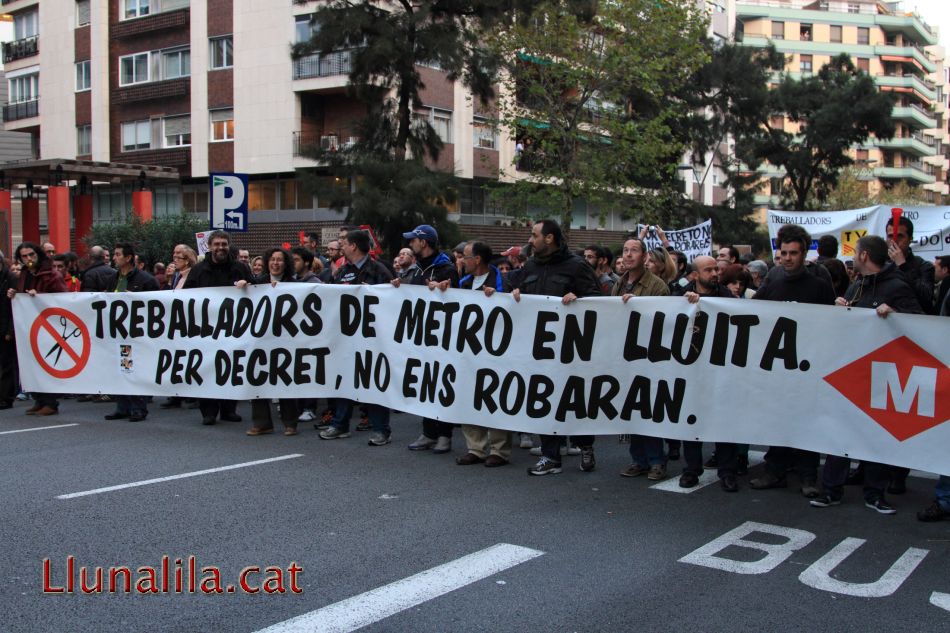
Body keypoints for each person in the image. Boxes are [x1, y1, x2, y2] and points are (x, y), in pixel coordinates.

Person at [810, 235, 923, 515]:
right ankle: (832, 490)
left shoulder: (896, 286)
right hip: (851, 371)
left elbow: (920, 322)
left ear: (863, 256)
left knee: (875, 434)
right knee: (840, 431)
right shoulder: (857, 286)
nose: (853, 257)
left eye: (856, 252)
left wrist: (897, 314)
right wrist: (842, 310)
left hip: (883, 373)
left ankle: (875, 493)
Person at [750, 224, 836, 498]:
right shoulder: (772, 285)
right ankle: (774, 471)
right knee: (778, 421)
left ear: (804, 254)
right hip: (778, 370)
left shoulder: (820, 287)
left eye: (793, 253)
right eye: (784, 253)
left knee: (807, 422)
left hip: (808, 368)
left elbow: (831, 325)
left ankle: (808, 476)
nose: (787, 258)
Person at [512, 220, 601, 476]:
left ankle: (585, 445)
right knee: (543, 399)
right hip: (540, 350)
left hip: (570, 348)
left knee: (575, 399)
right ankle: (551, 456)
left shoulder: (576, 266)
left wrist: (580, 300)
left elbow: (598, 299)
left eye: (534, 235)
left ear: (549, 238)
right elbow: (515, 292)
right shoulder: (530, 266)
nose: (530, 240)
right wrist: (516, 292)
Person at [319, 230, 394, 447]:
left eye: (344, 242)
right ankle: (340, 425)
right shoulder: (342, 271)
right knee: (344, 381)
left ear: (354, 246)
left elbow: (391, 302)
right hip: (347, 337)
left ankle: (382, 430)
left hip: (373, 338)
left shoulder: (379, 270)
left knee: (372, 383)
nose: (340, 245)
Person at [392, 224, 459, 454]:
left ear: (425, 242)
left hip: (442, 337)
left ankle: (444, 435)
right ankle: (428, 432)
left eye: (414, 240)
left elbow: (456, 300)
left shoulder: (446, 268)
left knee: (440, 385)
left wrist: (443, 289)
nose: (411, 244)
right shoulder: (417, 269)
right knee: (424, 385)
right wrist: (399, 289)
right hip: (421, 337)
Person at [680, 256, 744, 491]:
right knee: (691, 419)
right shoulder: (680, 295)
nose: (716, 273)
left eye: (717, 268)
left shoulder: (726, 296)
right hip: (691, 369)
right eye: (709, 270)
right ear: (695, 275)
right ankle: (691, 469)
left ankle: (727, 471)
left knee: (723, 419)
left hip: (720, 368)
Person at [613, 237, 670, 481]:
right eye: (625, 251)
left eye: (634, 250)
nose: (628, 255)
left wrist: (638, 307)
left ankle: (657, 460)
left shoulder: (657, 286)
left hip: (649, 356)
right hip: (626, 356)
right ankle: (639, 459)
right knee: (632, 409)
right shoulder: (619, 284)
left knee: (648, 408)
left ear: (644, 256)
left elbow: (664, 322)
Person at [182, 230, 253, 425]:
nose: (220, 248)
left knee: (232, 368)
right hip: (205, 331)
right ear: (209, 246)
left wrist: (246, 284)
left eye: (224, 244)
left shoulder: (240, 268)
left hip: (233, 330)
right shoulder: (198, 270)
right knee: (207, 369)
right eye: (217, 244)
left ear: (228, 246)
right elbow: (185, 297)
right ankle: (209, 411)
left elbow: (256, 291)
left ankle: (229, 410)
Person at [454, 241, 512, 467]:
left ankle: (499, 449)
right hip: (468, 351)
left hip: (496, 352)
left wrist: (501, 296)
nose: (461, 261)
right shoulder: (463, 283)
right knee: (468, 396)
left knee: (494, 397)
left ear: (477, 259)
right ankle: (475, 448)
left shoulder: (503, 281)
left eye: (465, 256)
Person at [7, 242, 67, 416]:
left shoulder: (51, 274)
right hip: (31, 326)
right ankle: (39, 399)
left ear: (38, 254)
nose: (29, 259)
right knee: (32, 364)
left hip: (48, 327)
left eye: (31, 255)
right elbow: (21, 295)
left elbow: (62, 299)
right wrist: (15, 295)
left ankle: (50, 402)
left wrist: (40, 297)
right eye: (24, 256)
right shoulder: (25, 273)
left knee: (46, 363)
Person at [246, 247, 302, 437]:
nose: (275, 263)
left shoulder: (295, 285)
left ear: (285, 264)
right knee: (257, 380)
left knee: (285, 380)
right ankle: (262, 423)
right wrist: (242, 285)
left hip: (285, 340)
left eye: (279, 260)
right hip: (260, 341)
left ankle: (290, 423)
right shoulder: (256, 284)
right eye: (272, 259)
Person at [103, 243, 159, 422]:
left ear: (128, 258)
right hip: (119, 332)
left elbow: (156, 305)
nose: (114, 258)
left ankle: (138, 407)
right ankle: (123, 406)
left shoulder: (146, 280)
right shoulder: (113, 278)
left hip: (137, 333)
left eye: (118, 254)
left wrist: (136, 299)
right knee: (121, 369)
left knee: (136, 370)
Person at [885, 215, 935, 313]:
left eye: (900, 236)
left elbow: (926, 298)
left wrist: (903, 266)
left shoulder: (924, 266)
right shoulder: (881, 264)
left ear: (910, 239)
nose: (894, 241)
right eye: (890, 236)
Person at [0, 252, 18, 409]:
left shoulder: (11, 277)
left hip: (6, 327)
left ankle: (6, 397)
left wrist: (10, 331)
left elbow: (15, 306)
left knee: (7, 364)